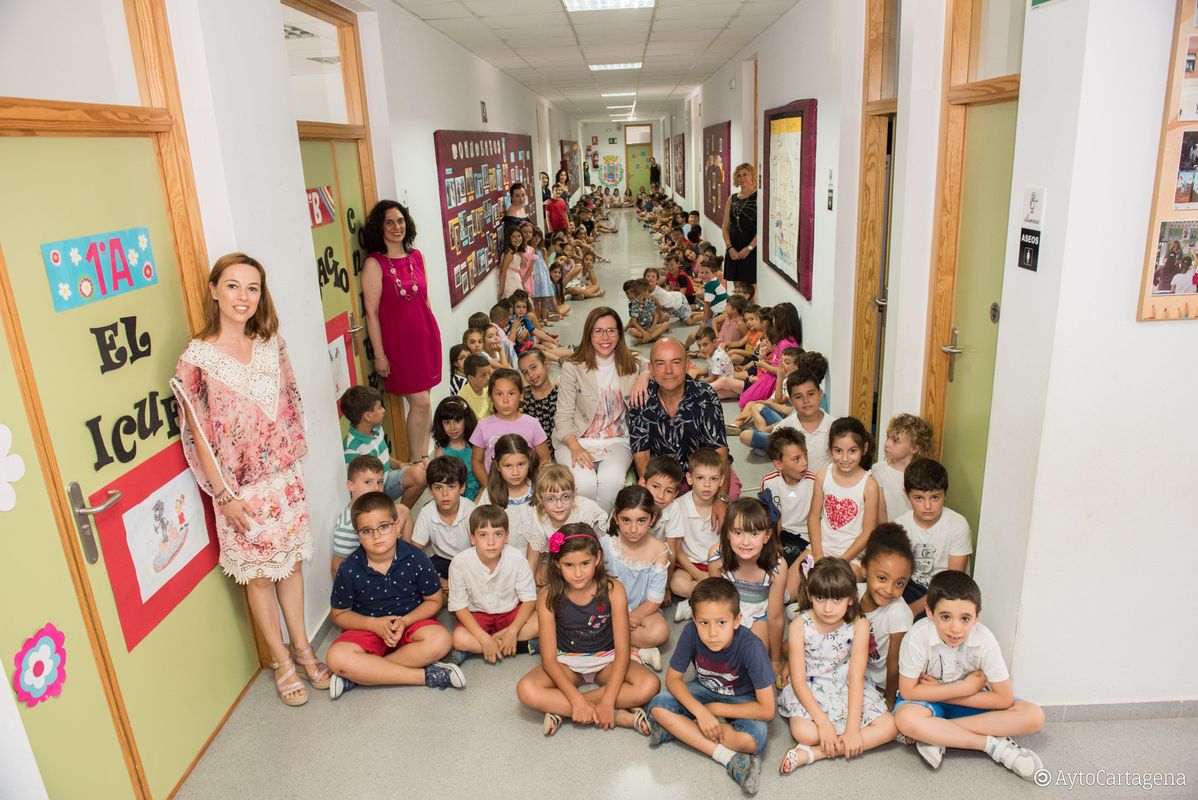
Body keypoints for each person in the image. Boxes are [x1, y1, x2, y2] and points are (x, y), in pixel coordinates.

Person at [172, 252, 328, 707]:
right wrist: (223, 496)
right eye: (234, 286)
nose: (243, 297)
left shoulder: (269, 343)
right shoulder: (196, 359)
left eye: (253, 288)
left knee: (291, 567)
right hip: (238, 492)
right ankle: (281, 660)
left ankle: (303, 647)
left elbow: (290, 403)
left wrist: (294, 464)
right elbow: (199, 433)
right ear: (214, 290)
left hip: (284, 480)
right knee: (259, 579)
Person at [894, 571, 1045, 780]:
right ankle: (992, 745)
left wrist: (942, 691)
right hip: (926, 703)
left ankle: (936, 735)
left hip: (968, 702)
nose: (955, 628)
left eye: (965, 618)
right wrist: (964, 687)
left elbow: (1004, 698)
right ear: (929, 611)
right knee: (906, 720)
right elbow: (909, 691)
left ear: (977, 616)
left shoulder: (985, 640)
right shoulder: (917, 637)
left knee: (1034, 716)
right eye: (945, 617)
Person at [514, 523, 660, 737]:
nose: (578, 572)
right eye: (569, 565)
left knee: (649, 685)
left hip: (607, 660)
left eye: (585, 563)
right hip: (567, 662)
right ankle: (619, 717)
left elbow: (622, 650)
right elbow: (549, 659)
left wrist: (608, 701)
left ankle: (561, 710)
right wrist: (575, 699)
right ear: (556, 564)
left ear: (598, 558)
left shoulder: (613, 590)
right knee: (525, 690)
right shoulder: (548, 596)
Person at [326, 491, 465, 698]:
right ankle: (425, 676)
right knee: (336, 657)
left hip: (410, 623)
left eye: (383, 527)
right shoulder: (350, 568)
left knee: (441, 641)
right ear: (358, 534)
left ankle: (360, 675)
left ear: (397, 525)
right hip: (368, 627)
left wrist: (405, 621)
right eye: (366, 530)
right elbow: (339, 614)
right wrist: (374, 625)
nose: (376, 536)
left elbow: (434, 600)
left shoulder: (416, 558)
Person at [646, 578, 776, 797]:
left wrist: (713, 711)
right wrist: (701, 712)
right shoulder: (691, 632)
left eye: (721, 622)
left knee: (753, 740)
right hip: (703, 690)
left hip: (742, 699)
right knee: (658, 706)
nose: (712, 632)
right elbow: (673, 679)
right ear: (694, 620)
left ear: (737, 620)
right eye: (704, 623)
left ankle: (681, 730)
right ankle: (728, 758)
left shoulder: (752, 646)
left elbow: (766, 709)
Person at [777, 557, 896, 775]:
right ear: (811, 595)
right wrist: (823, 724)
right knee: (806, 733)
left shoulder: (859, 624)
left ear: (851, 599)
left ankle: (812, 754)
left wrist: (852, 730)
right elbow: (799, 680)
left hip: (845, 685)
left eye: (837, 599)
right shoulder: (799, 626)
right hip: (811, 687)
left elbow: (855, 677)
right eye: (820, 598)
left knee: (890, 727)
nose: (828, 608)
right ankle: (819, 742)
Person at [362, 200, 440, 464]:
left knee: (426, 400)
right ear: (379, 228)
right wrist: (380, 355)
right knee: (419, 402)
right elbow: (371, 313)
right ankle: (416, 463)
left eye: (400, 221)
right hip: (398, 344)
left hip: (425, 336)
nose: (396, 227)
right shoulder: (375, 264)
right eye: (389, 222)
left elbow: (425, 299)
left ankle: (424, 455)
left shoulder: (417, 256)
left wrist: (432, 333)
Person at [553, 307, 644, 511]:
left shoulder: (633, 364)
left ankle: (599, 534)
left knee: (611, 483)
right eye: (598, 331)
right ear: (588, 334)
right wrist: (575, 447)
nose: (605, 337)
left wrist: (645, 376)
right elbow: (563, 416)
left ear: (620, 333)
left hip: (616, 440)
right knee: (584, 485)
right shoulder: (573, 367)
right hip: (576, 439)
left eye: (611, 330)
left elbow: (656, 366)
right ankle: (589, 535)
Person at [630, 337, 735, 496]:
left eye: (676, 362)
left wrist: (721, 499)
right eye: (660, 363)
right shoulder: (641, 398)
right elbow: (641, 453)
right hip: (663, 478)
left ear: (687, 365)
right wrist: (652, 496)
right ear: (651, 368)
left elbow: (719, 451)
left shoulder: (705, 396)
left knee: (728, 504)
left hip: (704, 473)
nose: (668, 370)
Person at [447, 505, 539, 664]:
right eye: (483, 535)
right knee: (458, 638)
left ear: (507, 536)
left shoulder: (516, 558)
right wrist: (484, 639)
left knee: (541, 622)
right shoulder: (459, 563)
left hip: (510, 612)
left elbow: (529, 599)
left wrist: (513, 630)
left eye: (498, 534)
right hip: (478, 615)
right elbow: (459, 607)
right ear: (472, 538)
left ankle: (480, 649)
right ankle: (520, 646)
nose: (491, 542)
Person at [707, 498, 787, 675]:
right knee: (715, 652)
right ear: (727, 532)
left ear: (766, 536)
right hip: (727, 607)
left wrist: (775, 660)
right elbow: (714, 601)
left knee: (754, 656)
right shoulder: (716, 556)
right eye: (738, 533)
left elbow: (775, 617)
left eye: (754, 534)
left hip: (760, 612)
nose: (745, 542)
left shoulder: (777, 567)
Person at [891, 458, 973, 617]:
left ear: (945, 493)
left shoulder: (957, 525)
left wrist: (912, 610)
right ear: (906, 494)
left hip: (947, 589)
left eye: (935, 497)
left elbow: (953, 580)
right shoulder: (900, 526)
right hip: (911, 586)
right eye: (919, 498)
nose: (927, 506)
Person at [602, 486, 671, 670]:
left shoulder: (660, 550)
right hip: (609, 609)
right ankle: (635, 649)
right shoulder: (607, 545)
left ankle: (612, 645)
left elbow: (654, 601)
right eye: (626, 520)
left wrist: (627, 617)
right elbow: (597, 588)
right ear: (616, 518)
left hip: (642, 610)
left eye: (641, 520)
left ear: (652, 519)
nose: (633, 529)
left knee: (660, 632)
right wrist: (620, 617)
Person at [807, 417, 880, 574]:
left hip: (852, 556)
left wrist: (841, 561)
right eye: (838, 451)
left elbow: (868, 532)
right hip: (820, 548)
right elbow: (813, 517)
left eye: (852, 451)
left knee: (831, 588)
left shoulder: (870, 486)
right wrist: (819, 555)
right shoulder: (822, 476)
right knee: (788, 590)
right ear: (830, 448)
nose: (845, 459)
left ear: (864, 448)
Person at [339, 385, 427, 509]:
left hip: (386, 479)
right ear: (368, 416)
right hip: (372, 492)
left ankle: (401, 512)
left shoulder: (377, 429)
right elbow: (360, 488)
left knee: (420, 474)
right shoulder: (352, 449)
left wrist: (399, 464)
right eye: (379, 407)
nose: (383, 410)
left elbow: (383, 455)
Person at [858, 523, 915, 708]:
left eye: (899, 583)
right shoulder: (854, 593)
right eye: (882, 578)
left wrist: (889, 701)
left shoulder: (898, 613)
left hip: (884, 684)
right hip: (859, 670)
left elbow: (894, 665)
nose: (889, 590)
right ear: (864, 568)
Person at [331, 455, 413, 578]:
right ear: (351, 485)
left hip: (383, 555)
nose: (376, 488)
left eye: (379, 482)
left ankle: (406, 561)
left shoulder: (377, 507)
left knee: (403, 510)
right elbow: (337, 566)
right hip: (367, 574)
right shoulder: (347, 526)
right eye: (368, 482)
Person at [669, 448, 726, 621]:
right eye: (700, 478)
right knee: (677, 584)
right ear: (689, 479)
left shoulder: (724, 509)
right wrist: (700, 575)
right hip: (690, 565)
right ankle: (716, 597)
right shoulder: (678, 506)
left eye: (713, 479)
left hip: (718, 563)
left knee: (743, 576)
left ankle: (693, 604)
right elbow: (678, 550)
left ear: (722, 481)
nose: (707, 485)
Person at [468, 368, 549, 487]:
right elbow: (476, 461)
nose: (505, 401)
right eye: (499, 394)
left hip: (527, 488)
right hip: (495, 488)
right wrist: (489, 486)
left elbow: (545, 458)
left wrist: (535, 483)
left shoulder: (532, 424)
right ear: (490, 396)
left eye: (511, 393)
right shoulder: (482, 425)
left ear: (521, 395)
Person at [412, 456, 476, 581]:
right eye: (438, 488)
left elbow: (481, 551)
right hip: (442, 561)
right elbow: (415, 550)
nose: (445, 494)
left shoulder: (471, 511)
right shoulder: (427, 512)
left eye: (451, 487)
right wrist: (438, 580)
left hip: (469, 559)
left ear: (462, 488)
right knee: (421, 569)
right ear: (430, 490)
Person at [872, 413, 934, 522]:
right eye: (888, 438)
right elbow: (880, 512)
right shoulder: (879, 469)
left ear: (914, 448)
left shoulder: (925, 474)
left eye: (895, 441)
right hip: (890, 533)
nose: (886, 444)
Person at [476, 434, 539, 532]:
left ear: (529, 462)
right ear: (497, 466)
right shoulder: (490, 494)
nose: (515, 472)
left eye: (521, 464)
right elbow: (480, 526)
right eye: (508, 466)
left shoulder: (540, 488)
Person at [431, 396, 480, 501]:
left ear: (466, 420)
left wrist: (476, 504)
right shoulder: (440, 453)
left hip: (479, 500)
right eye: (447, 422)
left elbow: (486, 481)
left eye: (457, 421)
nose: (452, 428)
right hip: (453, 504)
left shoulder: (477, 448)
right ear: (440, 424)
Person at [722, 163, 759, 296]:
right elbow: (725, 226)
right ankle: (737, 315)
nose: (742, 178)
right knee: (737, 287)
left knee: (750, 288)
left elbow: (762, 230)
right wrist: (729, 247)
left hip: (751, 249)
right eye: (739, 175)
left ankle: (749, 316)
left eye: (745, 174)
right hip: (733, 247)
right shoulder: (731, 199)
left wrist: (749, 248)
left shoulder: (759, 197)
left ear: (752, 176)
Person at [518, 349, 558, 443]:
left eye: (533, 367)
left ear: (546, 364)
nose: (531, 375)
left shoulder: (562, 393)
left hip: (560, 450)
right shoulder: (522, 398)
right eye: (525, 372)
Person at [458, 354, 493, 420]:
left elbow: (492, 412)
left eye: (489, 373)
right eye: (483, 375)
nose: (488, 378)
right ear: (470, 378)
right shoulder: (462, 396)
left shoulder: (489, 390)